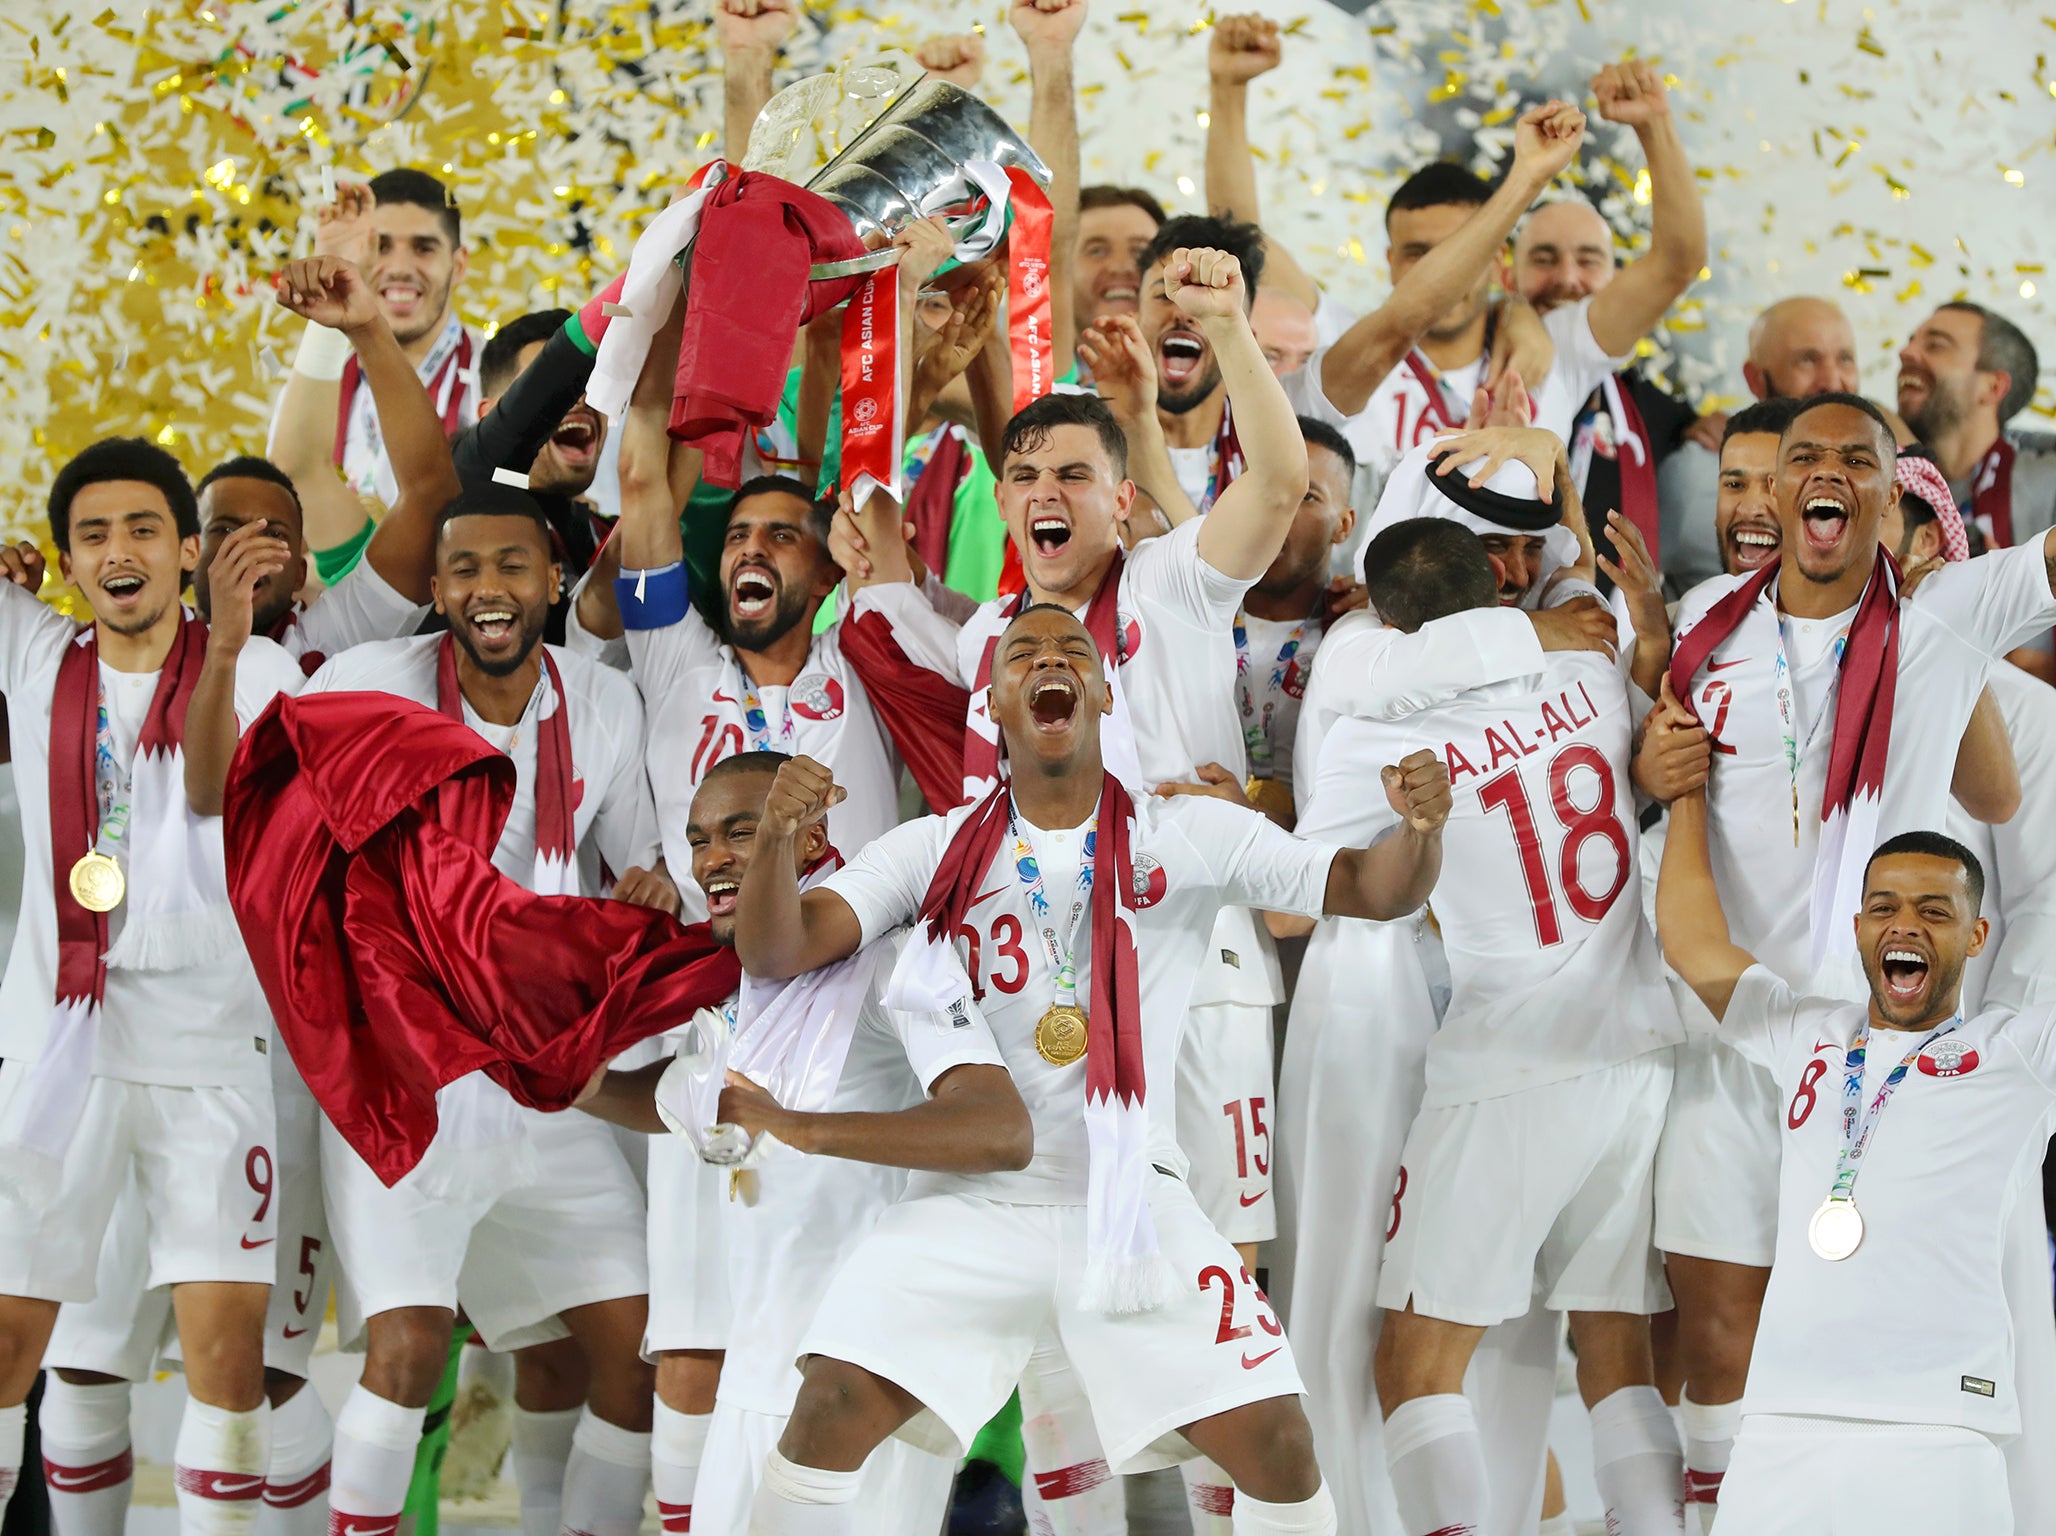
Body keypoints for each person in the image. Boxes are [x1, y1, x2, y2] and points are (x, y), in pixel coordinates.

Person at [732, 604, 1458, 1536]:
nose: (1050, 661)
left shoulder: (1184, 832)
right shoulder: (931, 847)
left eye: (1074, 650)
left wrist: (1422, 832)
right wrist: (774, 845)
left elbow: (1368, 887)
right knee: (829, 1405)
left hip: (1132, 1198)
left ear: (1104, 691)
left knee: (1280, 1443)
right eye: (1023, 653)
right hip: (972, 1204)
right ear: (994, 700)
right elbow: (780, 948)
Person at [30, 255, 466, 1536]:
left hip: (271, 1055)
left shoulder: (334, 646)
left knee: (261, 1363)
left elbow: (429, 488)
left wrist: (353, 337)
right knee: (90, 1341)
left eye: (272, 529)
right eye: (217, 527)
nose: (245, 548)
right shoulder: (78, 666)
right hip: (101, 1039)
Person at [1638, 391, 2056, 1526]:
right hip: (1751, 1025)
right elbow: (1682, 805)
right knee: (1719, 1329)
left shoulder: (1946, 615)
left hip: (1904, 1043)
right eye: (1804, 459)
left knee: (1970, 1333)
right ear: (1773, 493)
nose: (1830, 475)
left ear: (1887, 491)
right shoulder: (1705, 621)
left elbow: (1997, 791)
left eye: (1858, 460)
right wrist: (1662, 772)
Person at [296, 485, 677, 1536]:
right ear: (435, 590)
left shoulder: (603, 703)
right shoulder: (376, 685)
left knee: (632, 1349)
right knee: (410, 1346)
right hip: (412, 1080)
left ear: (553, 583)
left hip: (548, 1084)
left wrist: (648, 888)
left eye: (512, 566)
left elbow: (641, 861)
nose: (488, 589)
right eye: (463, 570)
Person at [1306, 510, 1685, 1536]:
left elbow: (1293, 904)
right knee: (1617, 1354)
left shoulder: (1373, 735)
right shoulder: (1586, 672)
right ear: (1494, 589)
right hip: (1639, 1047)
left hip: (1508, 1061)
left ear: (1382, 621)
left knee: (1416, 1366)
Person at [0, 440, 307, 1536]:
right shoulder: (34, 655)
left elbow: (223, 795)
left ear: (188, 549)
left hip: (208, 1061)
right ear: (70, 563)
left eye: (141, 529)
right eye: (92, 534)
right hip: (56, 1059)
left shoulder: (264, 670)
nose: (117, 551)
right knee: (8, 1346)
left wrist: (223, 647)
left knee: (225, 1365)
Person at [573, 752, 963, 1535]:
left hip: (861, 1378)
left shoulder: (894, 954)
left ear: (808, 841)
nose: (712, 859)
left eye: (741, 832)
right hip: (755, 1370)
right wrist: (574, 1088)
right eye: (698, 840)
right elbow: (693, 1102)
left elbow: (990, 1125)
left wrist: (799, 1128)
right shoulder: (748, 975)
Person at [1658, 816, 2054, 1533]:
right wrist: (1685, 797)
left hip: (1939, 1431)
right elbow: (1691, 944)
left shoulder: (2017, 1054)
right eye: (1884, 907)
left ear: (1975, 937)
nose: (1905, 924)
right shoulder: (1809, 1034)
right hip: (1781, 1421)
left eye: (1935, 911)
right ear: (1859, 928)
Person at [303, 171, 479, 511]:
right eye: (380, 247)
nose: (399, 268)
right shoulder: (318, 385)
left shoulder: (498, 375)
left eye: (423, 248)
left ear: (458, 266)